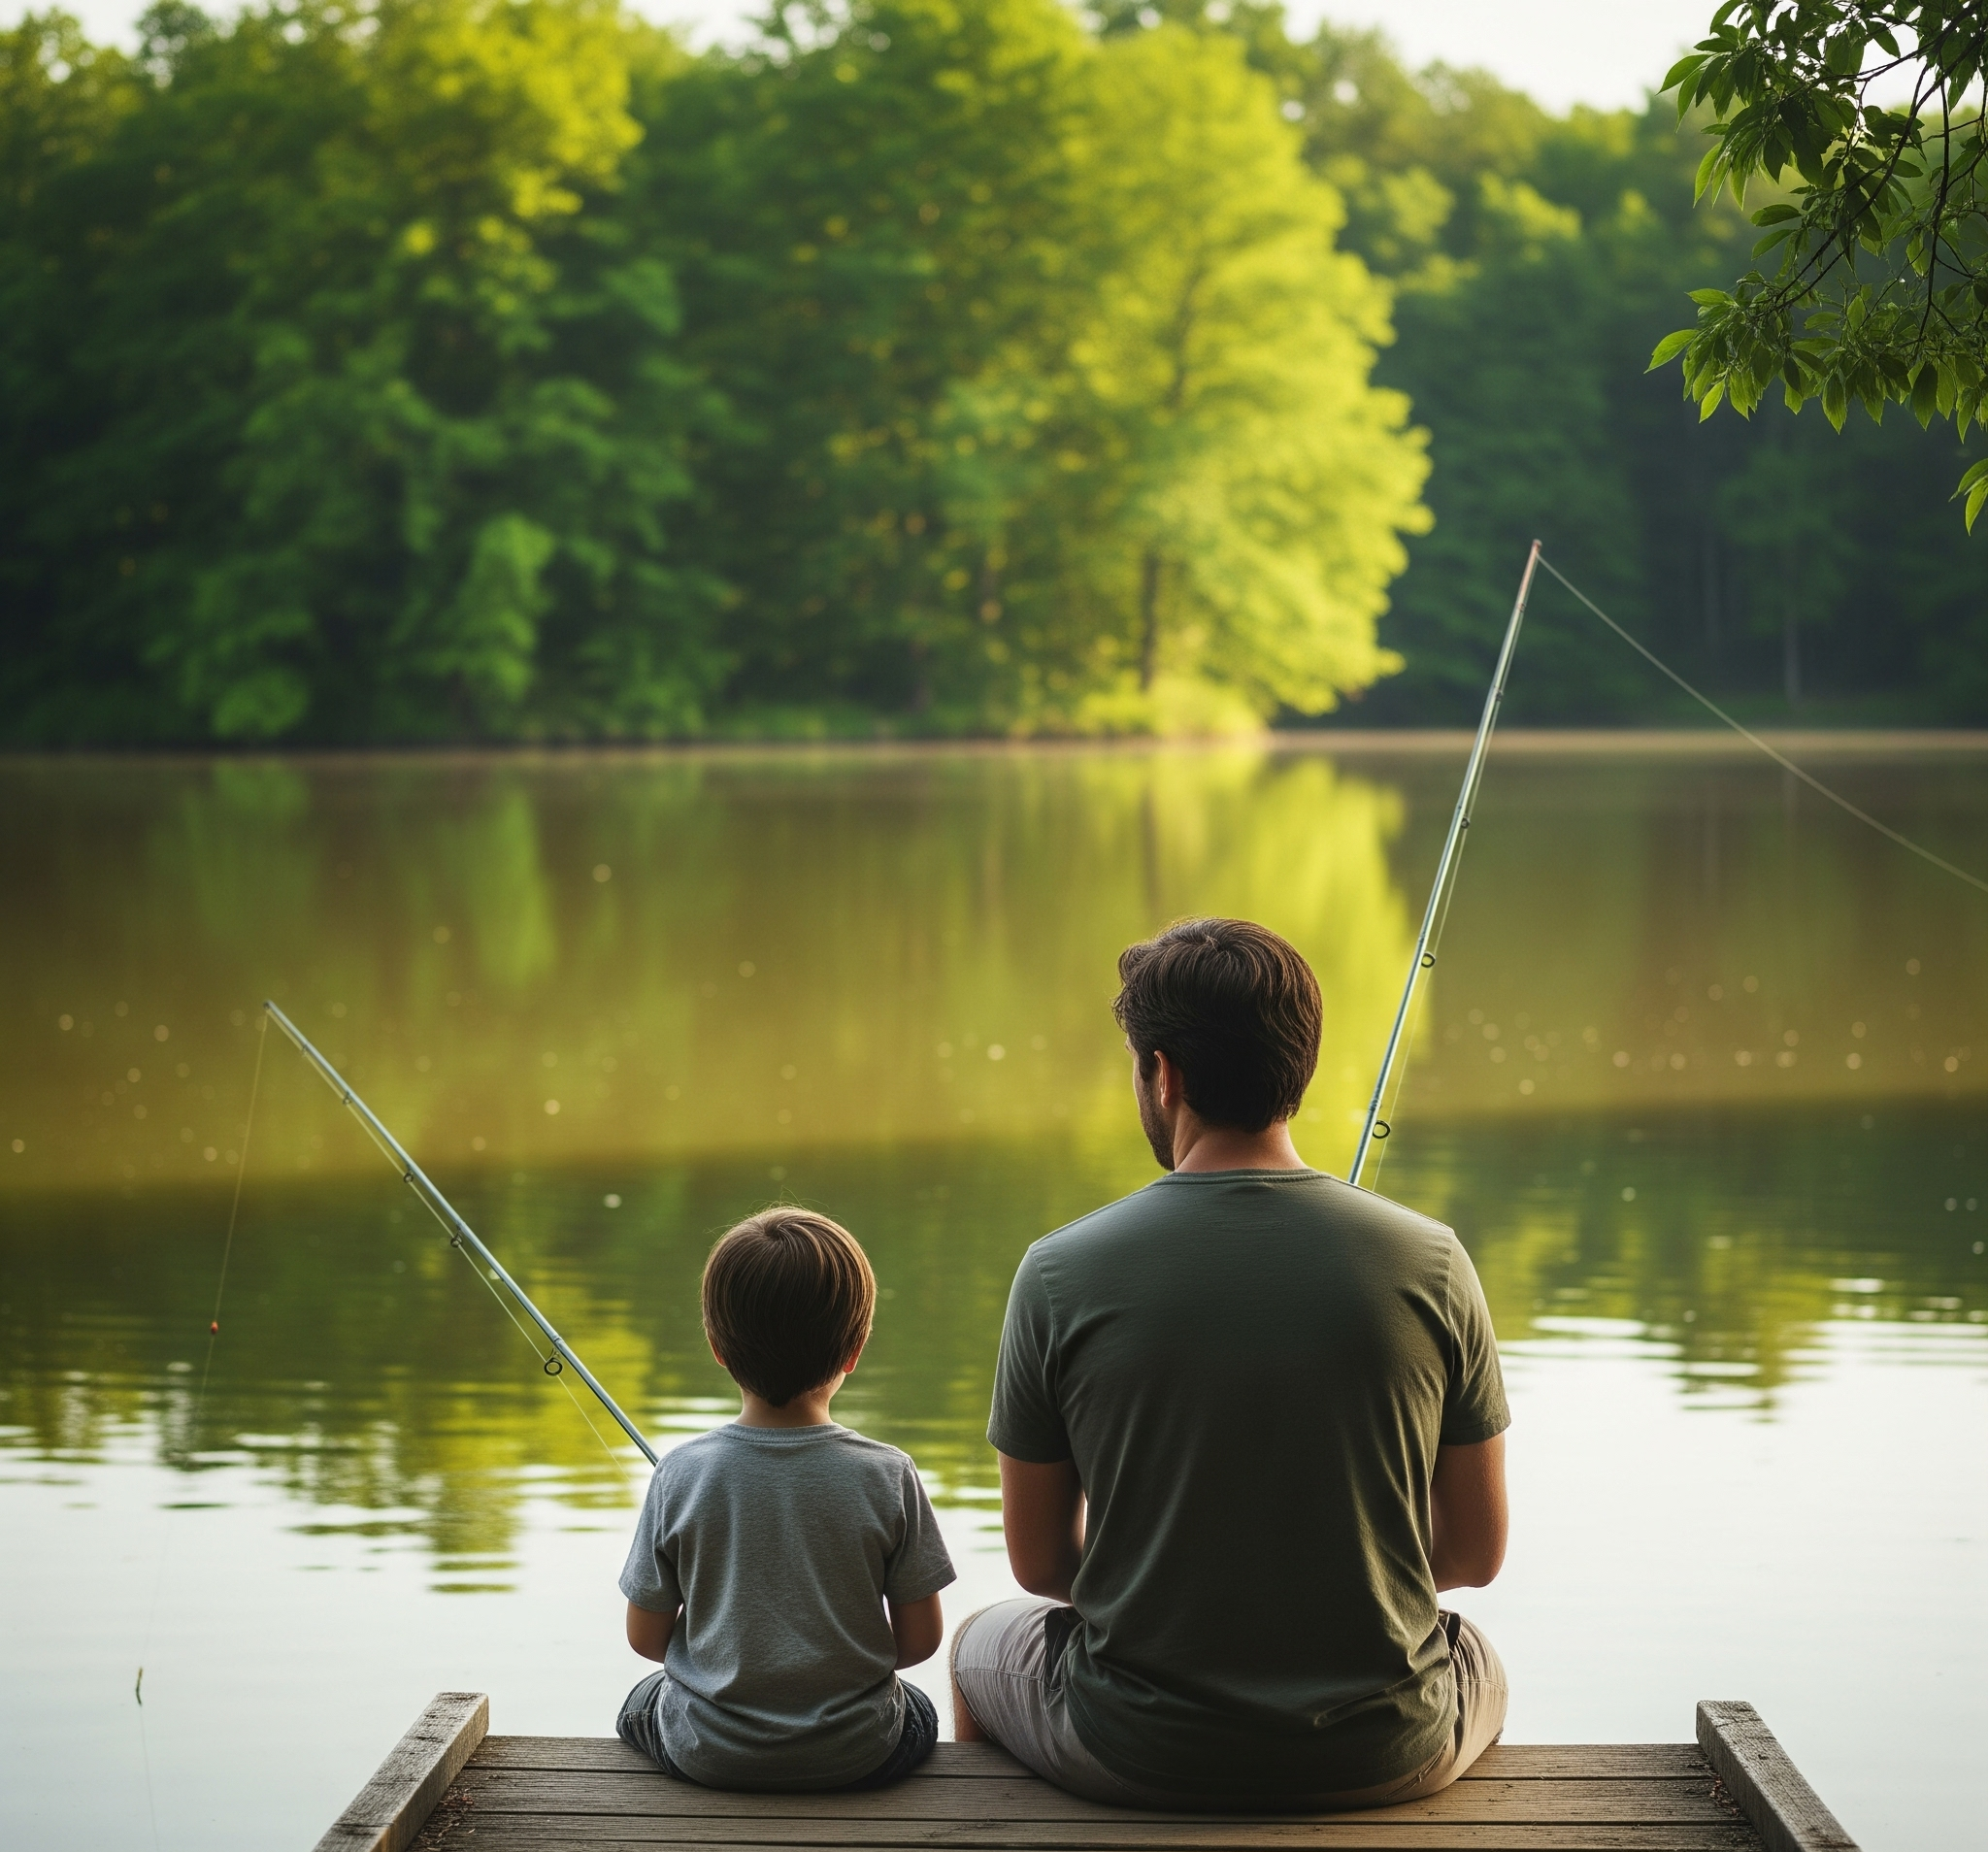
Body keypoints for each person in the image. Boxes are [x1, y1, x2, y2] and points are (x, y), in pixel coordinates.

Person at [950, 917, 1510, 1810]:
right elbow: (1476, 1554)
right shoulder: (1433, 1260)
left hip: (1139, 1749)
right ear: (1301, 1063)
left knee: (979, 1641)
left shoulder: (1057, 1273)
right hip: (1381, 1753)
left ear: (1163, 1074)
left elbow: (1041, 1564)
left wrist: (1172, 1566)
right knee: (1475, 1650)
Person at [617, 1207, 955, 1791]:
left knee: (638, 1703)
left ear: (718, 1348)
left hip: (710, 1753)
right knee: (916, 1709)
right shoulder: (889, 1474)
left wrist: (725, 1653)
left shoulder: (680, 1473)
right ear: (854, 1351)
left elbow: (645, 1640)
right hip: (858, 1751)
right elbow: (920, 1642)